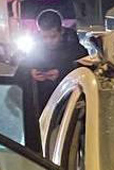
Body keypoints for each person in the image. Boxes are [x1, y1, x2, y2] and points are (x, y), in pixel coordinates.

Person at [14, 9, 83, 152]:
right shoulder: (35, 49)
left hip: (67, 112)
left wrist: (62, 73)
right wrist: (30, 73)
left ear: (61, 31)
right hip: (39, 110)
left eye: (53, 37)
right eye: (44, 37)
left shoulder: (75, 49)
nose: (48, 41)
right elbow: (19, 73)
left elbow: (84, 71)